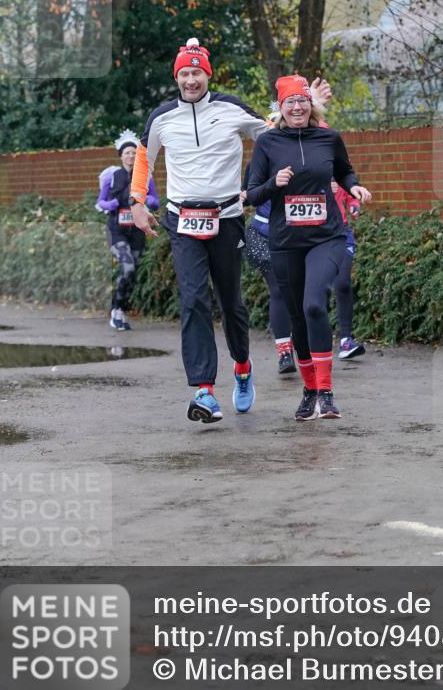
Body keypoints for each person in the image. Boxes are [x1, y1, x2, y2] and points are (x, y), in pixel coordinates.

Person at [127, 40, 330, 425]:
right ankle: (204, 390)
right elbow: (143, 157)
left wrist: (303, 105)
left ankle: (242, 365)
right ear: (177, 77)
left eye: (197, 73)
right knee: (193, 300)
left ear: (208, 75)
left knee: (230, 302)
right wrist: (137, 201)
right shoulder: (162, 117)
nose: (190, 80)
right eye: (184, 73)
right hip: (182, 219)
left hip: (227, 217)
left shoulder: (230, 108)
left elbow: (274, 131)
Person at [246, 74, 371, 421]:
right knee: (297, 316)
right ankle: (309, 390)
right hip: (285, 243)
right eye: (290, 102)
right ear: (281, 108)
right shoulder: (268, 143)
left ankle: (327, 393)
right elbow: (251, 193)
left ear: (310, 105)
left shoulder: (329, 138)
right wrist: (275, 182)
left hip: (326, 237)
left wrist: (356, 187)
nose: (297, 107)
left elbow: (346, 172)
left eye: (303, 101)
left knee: (314, 305)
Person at [96, 129, 160, 331]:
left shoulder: (145, 176)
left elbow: (156, 201)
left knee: (131, 273)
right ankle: (116, 310)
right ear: (121, 155)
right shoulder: (111, 176)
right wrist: (111, 204)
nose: (131, 156)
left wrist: (150, 200)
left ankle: (119, 310)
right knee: (128, 266)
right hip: (116, 230)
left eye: (134, 152)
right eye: (127, 153)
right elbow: (100, 202)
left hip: (137, 230)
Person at [243, 167, 297, 375]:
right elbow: (248, 194)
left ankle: (306, 344)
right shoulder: (260, 158)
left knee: (303, 290)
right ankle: (285, 352)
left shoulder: (306, 152)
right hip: (264, 234)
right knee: (278, 289)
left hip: (300, 233)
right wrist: (242, 196)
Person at [331, 180, 366, 360]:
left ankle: (346, 340)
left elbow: (350, 194)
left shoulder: (338, 163)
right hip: (315, 236)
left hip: (342, 233)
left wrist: (354, 205)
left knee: (343, 283)